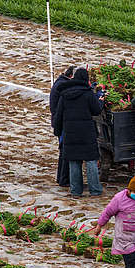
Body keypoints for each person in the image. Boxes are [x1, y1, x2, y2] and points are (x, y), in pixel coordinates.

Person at [53, 66, 104, 197]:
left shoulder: (64, 95)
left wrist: (58, 131)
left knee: (74, 161)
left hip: (70, 132)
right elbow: (96, 110)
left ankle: (76, 191)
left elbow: (59, 115)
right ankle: (95, 190)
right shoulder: (88, 94)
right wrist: (101, 101)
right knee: (91, 160)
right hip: (87, 132)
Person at [49, 65, 74, 187]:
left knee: (63, 151)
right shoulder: (63, 86)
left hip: (60, 123)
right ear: (71, 76)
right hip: (63, 124)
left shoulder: (61, 83)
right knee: (65, 152)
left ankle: (62, 178)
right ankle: (64, 180)